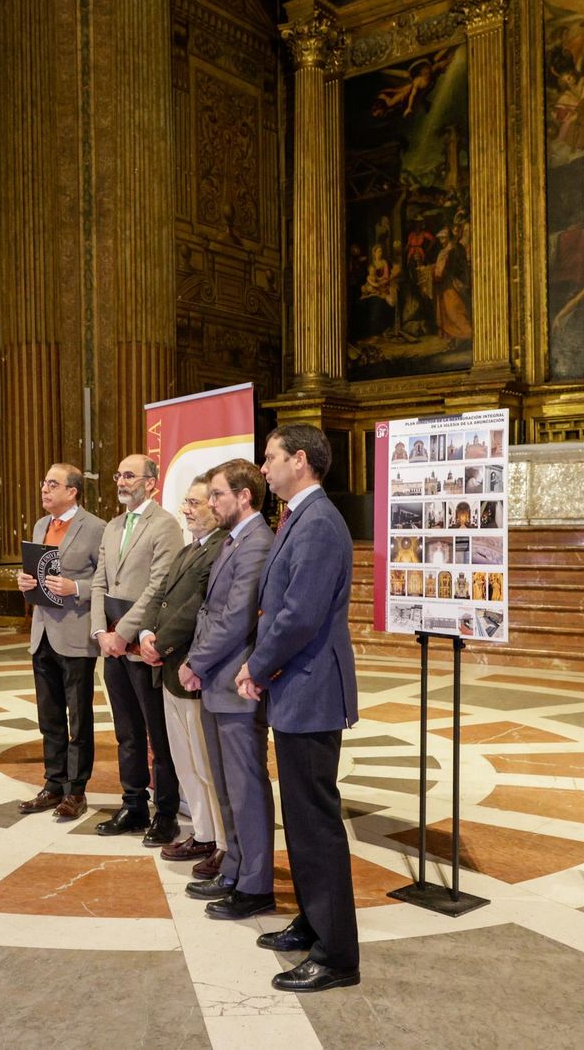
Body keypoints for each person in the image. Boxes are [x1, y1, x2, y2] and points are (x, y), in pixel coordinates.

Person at [240, 424, 360, 993]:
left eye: (270, 458)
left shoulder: (316, 523)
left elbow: (298, 615)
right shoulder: (301, 517)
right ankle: (314, 922)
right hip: (299, 687)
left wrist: (256, 666)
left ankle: (337, 955)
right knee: (305, 818)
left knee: (316, 823)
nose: (263, 468)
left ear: (302, 461)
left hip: (311, 689)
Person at [180, 459, 275, 920]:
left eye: (217, 494)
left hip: (235, 682)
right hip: (215, 679)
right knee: (225, 788)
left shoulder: (257, 542)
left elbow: (236, 618)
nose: (211, 502)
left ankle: (256, 884)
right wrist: (197, 664)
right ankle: (235, 869)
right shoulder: (233, 542)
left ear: (243, 496)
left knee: (245, 788)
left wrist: (195, 662)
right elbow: (206, 612)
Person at [90, 454, 184, 842]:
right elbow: (99, 582)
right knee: (126, 731)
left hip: (143, 643)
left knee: (156, 734)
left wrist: (123, 632)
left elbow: (159, 585)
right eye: (118, 474)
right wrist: (100, 632)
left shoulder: (165, 526)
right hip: (112, 645)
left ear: (151, 483)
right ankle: (132, 805)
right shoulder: (112, 527)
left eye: (129, 475)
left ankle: (166, 813)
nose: (121, 481)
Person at [137, 474, 227, 867]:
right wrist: (144, 631)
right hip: (169, 670)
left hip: (193, 671)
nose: (186, 510)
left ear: (215, 505)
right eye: (186, 503)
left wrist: (160, 643)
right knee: (185, 762)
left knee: (205, 765)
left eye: (194, 502)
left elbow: (195, 607)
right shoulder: (188, 550)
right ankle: (203, 834)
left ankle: (221, 842)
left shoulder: (221, 549)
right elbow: (160, 596)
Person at [14, 464, 104, 821]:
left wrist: (76, 588)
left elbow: (106, 577)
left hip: (75, 633)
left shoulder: (95, 527)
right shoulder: (40, 525)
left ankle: (76, 791)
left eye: (53, 484)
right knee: (49, 716)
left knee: (78, 716)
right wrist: (26, 580)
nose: (45, 489)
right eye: (43, 483)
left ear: (73, 491)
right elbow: (39, 570)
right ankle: (53, 783)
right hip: (42, 632)